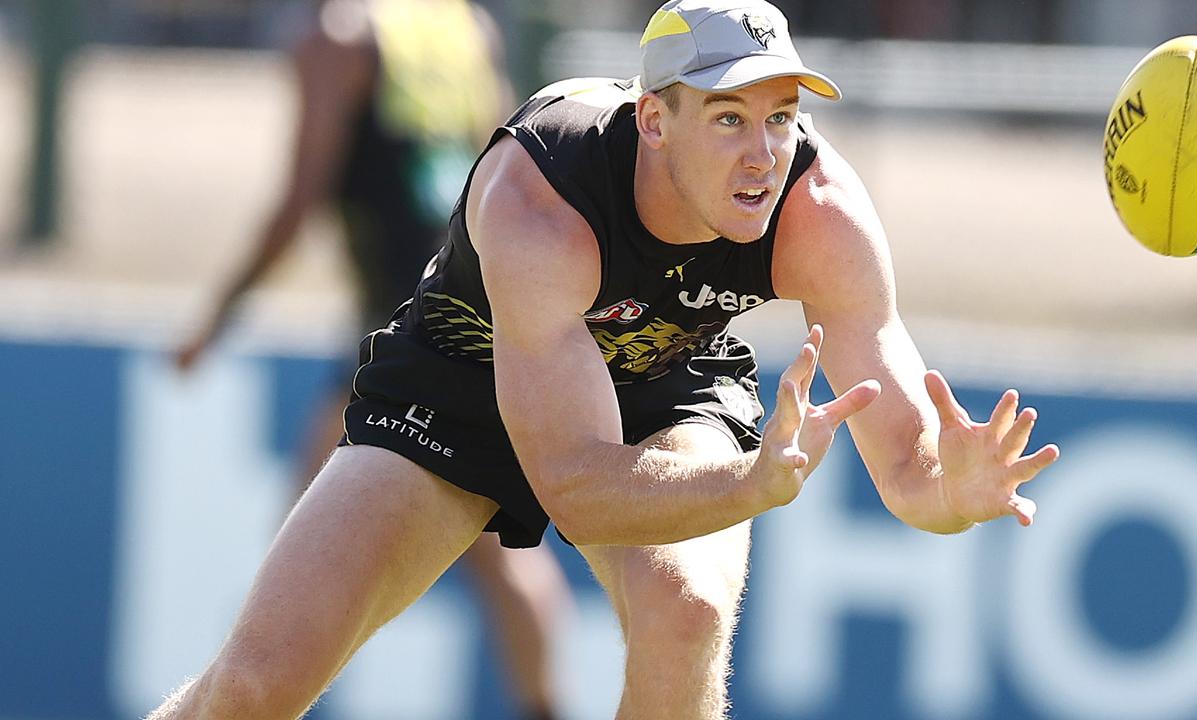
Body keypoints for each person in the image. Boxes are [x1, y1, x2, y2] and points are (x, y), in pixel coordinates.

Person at [151, 0, 1061, 718]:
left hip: (669, 381)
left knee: (688, 614)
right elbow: (576, 489)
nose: (763, 155)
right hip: (460, 381)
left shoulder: (819, 212)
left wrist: (949, 494)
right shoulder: (543, 196)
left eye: (781, 117)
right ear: (654, 120)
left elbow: (908, 469)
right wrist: (750, 486)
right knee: (253, 690)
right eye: (729, 118)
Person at [171, 1, 569, 718]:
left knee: (300, 546)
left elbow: (298, 199)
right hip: (482, 313)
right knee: (497, 540)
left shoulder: (337, 37)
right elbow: (514, 173)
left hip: (398, 330)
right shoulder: (463, 29)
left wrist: (216, 318)